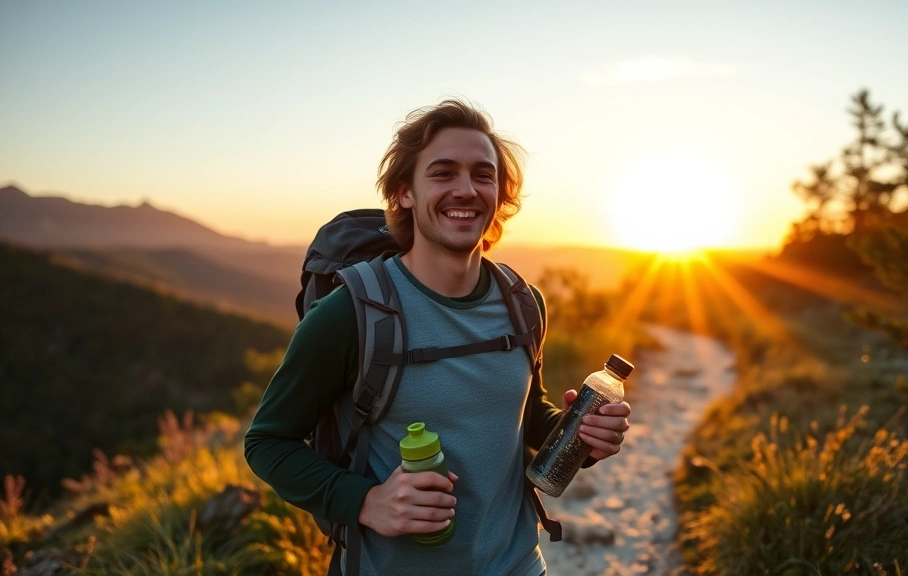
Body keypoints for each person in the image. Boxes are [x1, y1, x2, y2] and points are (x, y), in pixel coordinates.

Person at [244, 99, 632, 576]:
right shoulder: (350, 314)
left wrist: (582, 435)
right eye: (443, 173)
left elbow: (522, 414)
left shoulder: (524, 303)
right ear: (405, 192)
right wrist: (365, 502)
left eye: (483, 175)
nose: (465, 190)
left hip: (518, 566)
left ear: (499, 194)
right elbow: (267, 442)